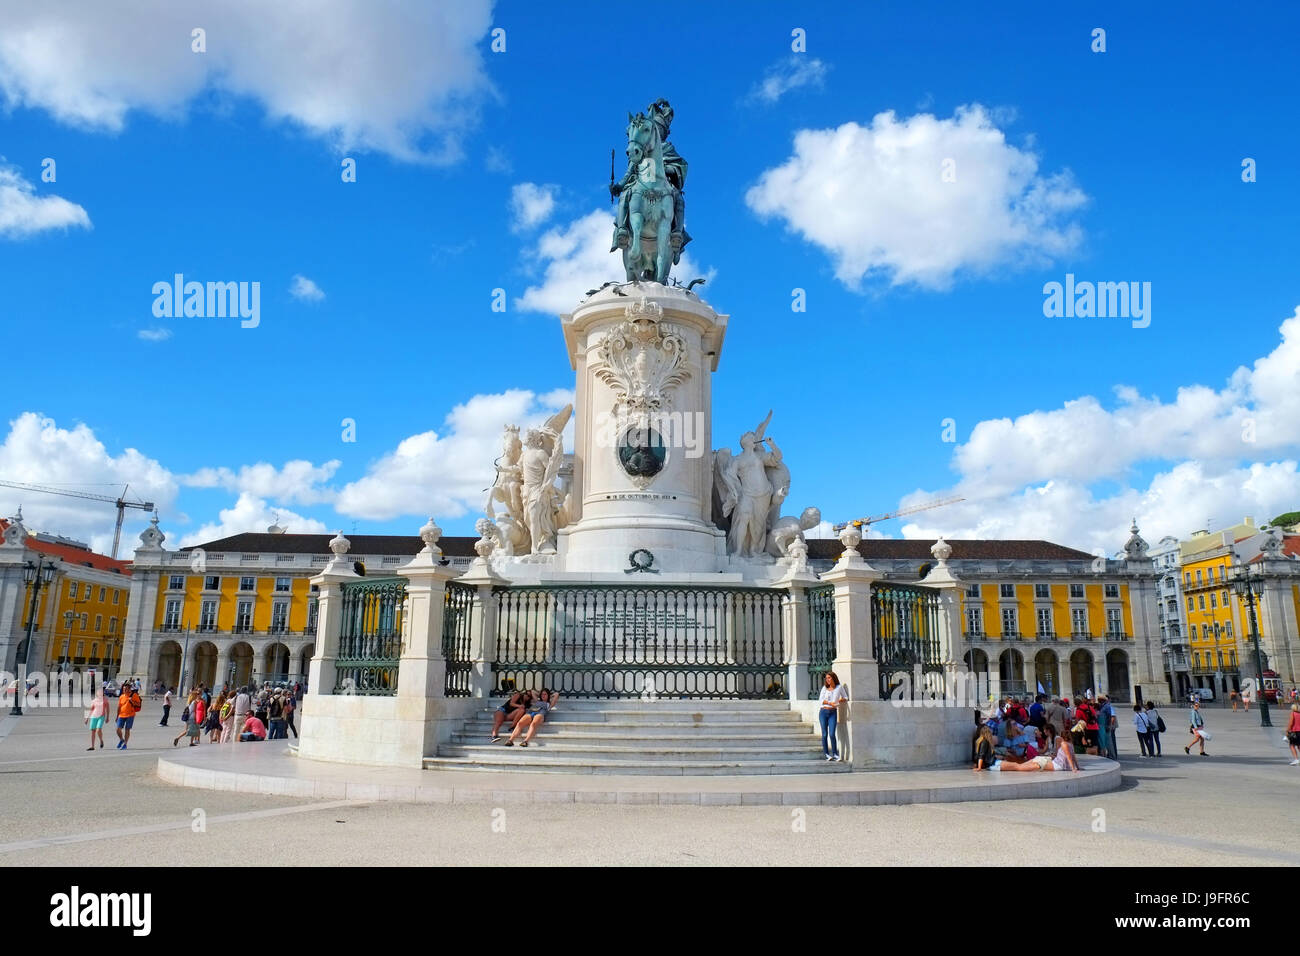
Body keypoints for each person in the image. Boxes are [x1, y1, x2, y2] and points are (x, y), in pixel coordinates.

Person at [993, 728, 1080, 772]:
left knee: (1036, 764)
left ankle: (1012, 767)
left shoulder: (1064, 744)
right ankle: (1012, 765)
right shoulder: (1070, 744)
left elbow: (1069, 757)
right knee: (1035, 760)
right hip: (1056, 762)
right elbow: (1073, 757)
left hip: (1058, 765)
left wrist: (1074, 768)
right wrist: (1077, 767)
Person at [817, 671, 847, 762]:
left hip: (833, 712)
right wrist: (830, 703)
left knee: (832, 734)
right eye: (826, 678)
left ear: (833, 678)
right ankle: (826, 754)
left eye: (829, 678)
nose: (827, 680)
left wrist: (838, 702)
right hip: (823, 712)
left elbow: (845, 697)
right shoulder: (824, 688)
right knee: (825, 734)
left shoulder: (839, 687)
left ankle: (835, 754)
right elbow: (821, 700)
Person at [115, 680, 142, 749]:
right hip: (121, 715)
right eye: (123, 689)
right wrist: (117, 716)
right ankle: (121, 739)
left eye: (126, 689)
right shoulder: (122, 696)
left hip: (130, 715)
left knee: (127, 729)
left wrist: (132, 701)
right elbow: (119, 706)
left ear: (129, 689)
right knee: (118, 729)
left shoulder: (134, 695)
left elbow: (138, 704)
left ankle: (125, 744)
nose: (124, 690)